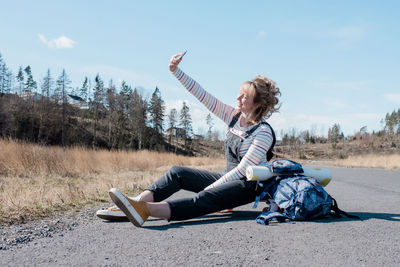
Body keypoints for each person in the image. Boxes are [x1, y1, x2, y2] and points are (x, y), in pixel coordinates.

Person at [97, 52, 281, 227]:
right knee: (178, 172)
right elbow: (202, 95)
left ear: (258, 104)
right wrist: (176, 71)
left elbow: (242, 171)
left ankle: (145, 210)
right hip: (228, 178)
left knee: (202, 199)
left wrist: (210, 189)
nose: (237, 98)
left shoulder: (263, 132)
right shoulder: (232, 116)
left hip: (247, 186)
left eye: (244, 97)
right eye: (239, 93)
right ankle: (133, 204)